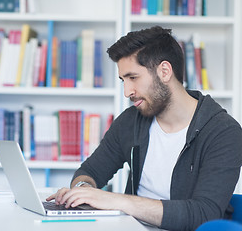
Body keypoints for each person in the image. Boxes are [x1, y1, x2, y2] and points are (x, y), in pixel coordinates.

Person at [46, 26, 242, 230]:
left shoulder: (224, 132)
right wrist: (83, 191)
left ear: (164, 71)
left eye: (133, 78)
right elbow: (90, 170)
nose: (127, 91)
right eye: (123, 80)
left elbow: (204, 215)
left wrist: (117, 201)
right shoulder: (131, 121)